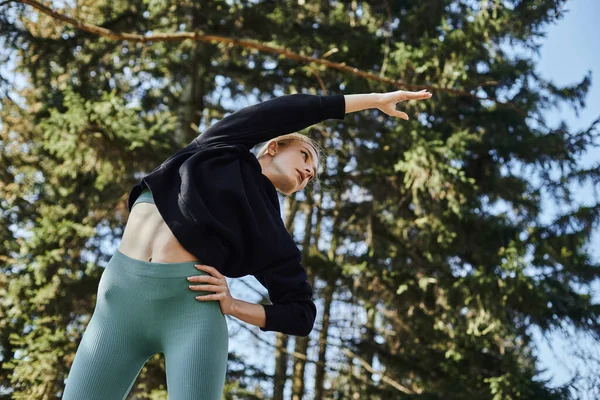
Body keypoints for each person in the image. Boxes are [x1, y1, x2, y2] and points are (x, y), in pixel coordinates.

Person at [61, 88, 432, 400]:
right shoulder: (220, 146)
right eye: (304, 156)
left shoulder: (270, 230)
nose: (308, 171)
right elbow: (291, 109)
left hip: (190, 315)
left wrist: (235, 305)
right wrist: (374, 100)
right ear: (273, 146)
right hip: (118, 304)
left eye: (312, 174)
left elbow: (302, 313)